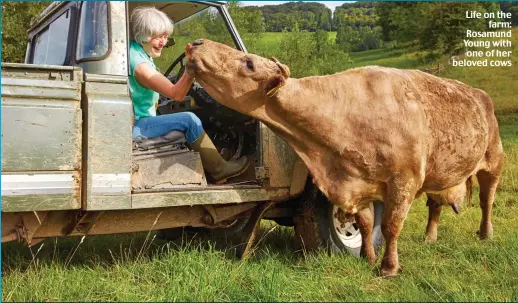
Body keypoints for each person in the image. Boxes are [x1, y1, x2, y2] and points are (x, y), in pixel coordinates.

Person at [129, 6, 249, 184]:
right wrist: (191, 68)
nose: (163, 42)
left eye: (165, 36)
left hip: (138, 120)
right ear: (143, 33)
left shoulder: (137, 53)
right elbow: (176, 94)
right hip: (137, 125)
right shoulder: (138, 63)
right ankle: (219, 169)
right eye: (158, 36)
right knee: (189, 120)